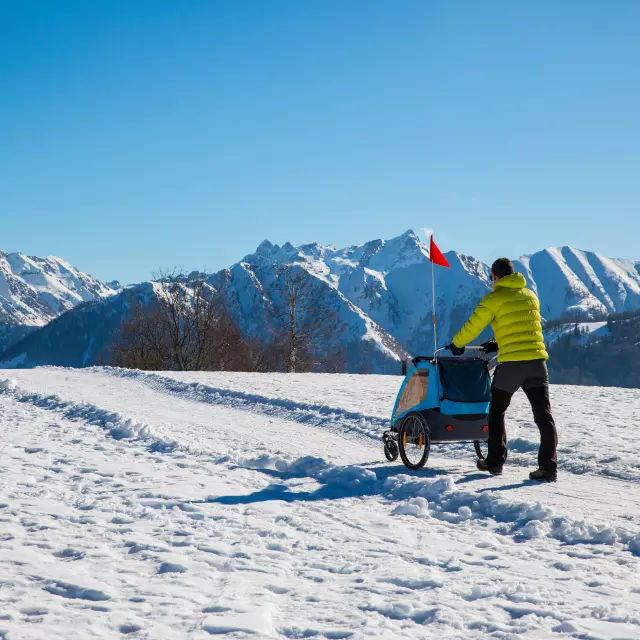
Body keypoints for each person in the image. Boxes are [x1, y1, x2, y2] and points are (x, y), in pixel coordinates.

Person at [447, 258, 558, 482]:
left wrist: (457, 344)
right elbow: (523, 328)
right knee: (544, 417)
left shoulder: (494, 299)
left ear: (495, 277)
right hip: (537, 363)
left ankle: (495, 462)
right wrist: (499, 342)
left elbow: (473, 325)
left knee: (497, 410)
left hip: (512, 365)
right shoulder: (530, 296)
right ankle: (548, 468)